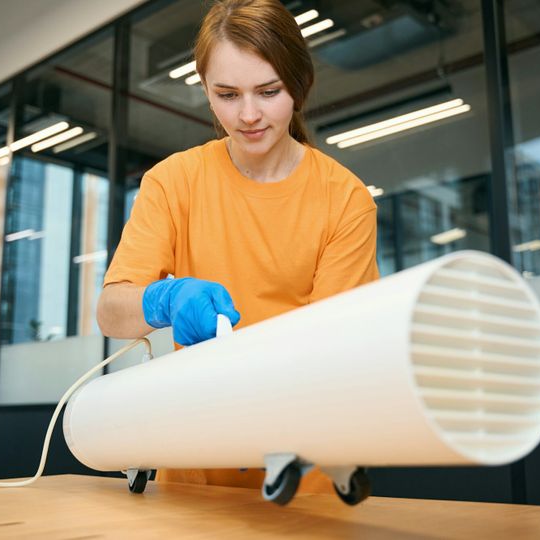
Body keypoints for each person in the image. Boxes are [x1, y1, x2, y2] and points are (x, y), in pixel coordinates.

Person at [97, 0, 380, 493]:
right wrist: (161, 300)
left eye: (268, 92)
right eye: (226, 94)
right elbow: (110, 312)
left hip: (304, 481)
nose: (248, 115)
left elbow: (334, 351)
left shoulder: (345, 200)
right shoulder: (173, 182)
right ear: (205, 92)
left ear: (299, 86)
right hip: (194, 473)